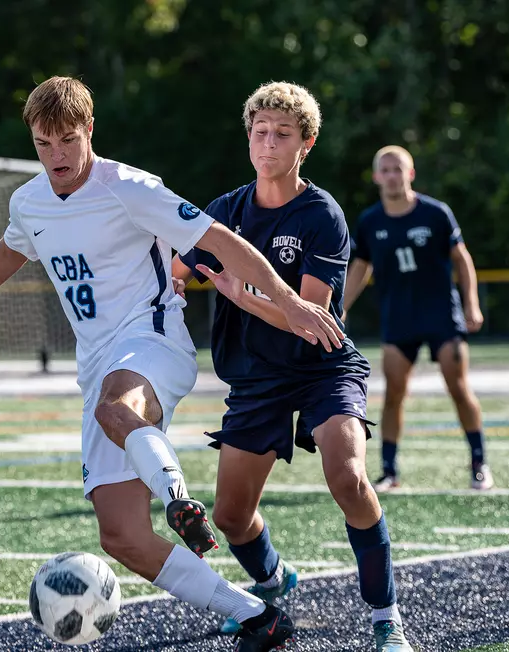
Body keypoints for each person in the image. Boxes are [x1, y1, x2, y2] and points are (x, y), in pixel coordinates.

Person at [0, 76, 345, 651]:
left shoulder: (131, 187)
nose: (56, 155)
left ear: (89, 130)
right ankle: (257, 614)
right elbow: (8, 253)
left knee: (118, 407)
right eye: (43, 144)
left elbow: (220, 240)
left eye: (67, 140)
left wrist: (288, 299)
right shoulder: (30, 201)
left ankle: (179, 499)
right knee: (122, 535)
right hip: (96, 363)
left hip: (153, 339)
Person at [172, 81, 413, 652]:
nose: (268, 144)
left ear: (306, 143)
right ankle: (273, 579)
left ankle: (387, 618)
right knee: (230, 518)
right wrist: (166, 287)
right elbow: (177, 269)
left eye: (282, 134)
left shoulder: (322, 214)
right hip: (256, 377)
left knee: (348, 476)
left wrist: (237, 290)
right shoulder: (225, 211)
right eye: (259, 133)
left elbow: (307, 318)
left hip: (323, 368)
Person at [343, 146, 494, 492]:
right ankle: (389, 471)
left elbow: (462, 259)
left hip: (441, 315)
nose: (392, 175)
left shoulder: (436, 213)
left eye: (399, 169)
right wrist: (341, 307)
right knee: (394, 393)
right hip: (399, 317)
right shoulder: (370, 221)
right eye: (386, 170)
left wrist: (471, 304)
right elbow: (361, 267)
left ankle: (479, 462)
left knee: (458, 386)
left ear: (410, 174)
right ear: (377, 176)